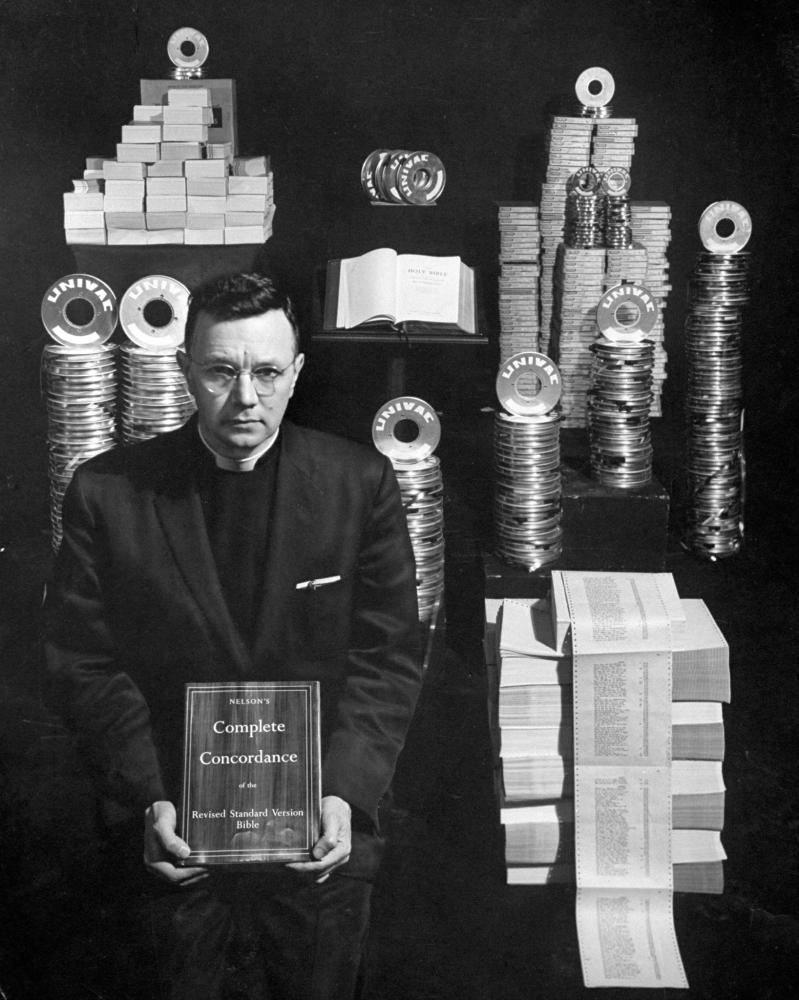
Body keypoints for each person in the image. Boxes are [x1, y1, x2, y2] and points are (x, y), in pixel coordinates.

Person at [42, 272, 423, 1000]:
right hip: (173, 836)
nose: (245, 397)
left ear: (296, 373)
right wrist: (149, 799)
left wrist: (344, 794)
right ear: (185, 368)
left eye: (267, 372)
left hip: (319, 838)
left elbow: (388, 657)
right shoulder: (108, 492)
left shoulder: (359, 484)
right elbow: (81, 662)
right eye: (220, 370)